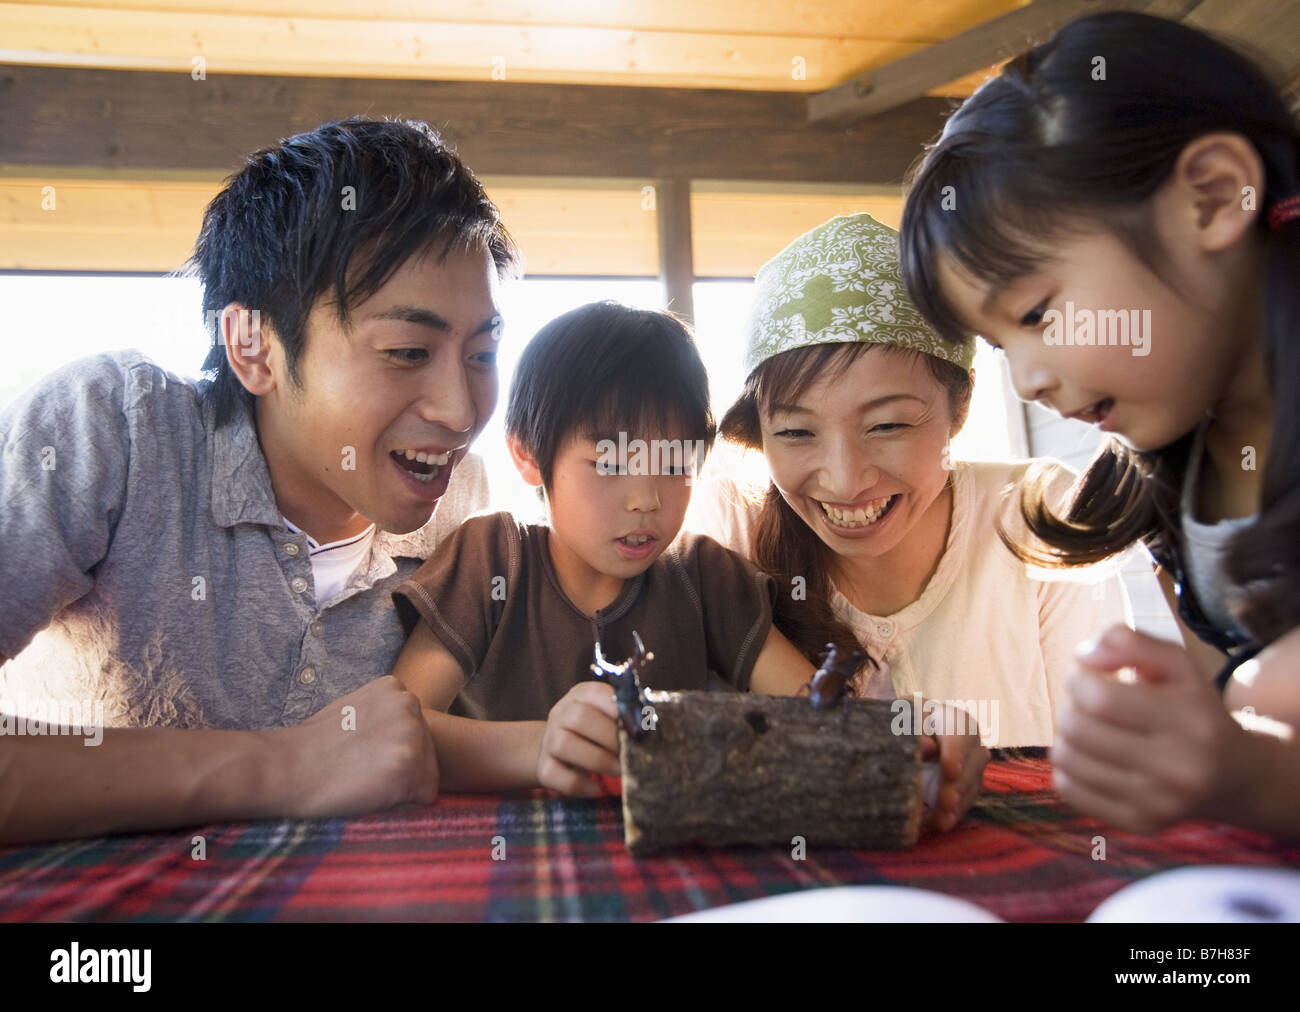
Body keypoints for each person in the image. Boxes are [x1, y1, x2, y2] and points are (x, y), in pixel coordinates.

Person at [0, 117, 517, 843]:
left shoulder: (461, 505)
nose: (460, 413)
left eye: (482, 354)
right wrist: (281, 765)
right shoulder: (111, 431)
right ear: (253, 345)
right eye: (406, 351)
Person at [898, 11, 1300, 835]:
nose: (1030, 378)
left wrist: (1247, 760)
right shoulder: (1174, 484)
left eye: (1038, 312)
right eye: (996, 341)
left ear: (1215, 195)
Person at [686, 214, 1133, 824]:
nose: (844, 480)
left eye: (888, 425)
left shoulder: (1044, 523)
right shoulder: (724, 533)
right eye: (796, 432)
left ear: (961, 404)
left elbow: (1106, 781)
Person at [388, 302, 819, 798]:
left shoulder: (704, 576)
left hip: (669, 855)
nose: (647, 500)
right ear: (528, 455)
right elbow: (401, 726)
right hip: (501, 857)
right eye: (611, 463)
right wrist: (540, 746)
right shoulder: (491, 560)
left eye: (675, 462)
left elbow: (818, 714)